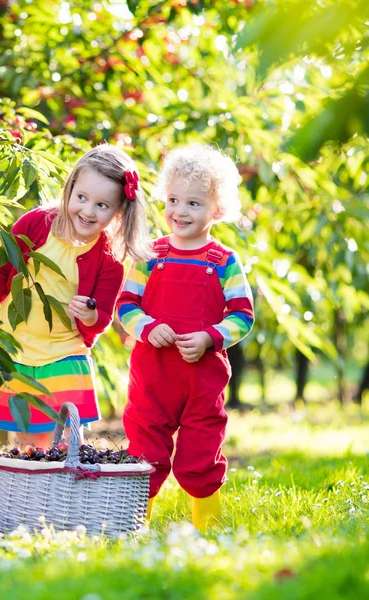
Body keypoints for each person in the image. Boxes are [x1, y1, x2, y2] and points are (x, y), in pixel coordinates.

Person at [0, 145, 152, 450]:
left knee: (69, 439)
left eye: (102, 205)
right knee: (33, 441)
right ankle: (35, 494)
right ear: (69, 189)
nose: (87, 211)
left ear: (119, 210)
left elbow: (102, 319)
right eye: (81, 198)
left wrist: (89, 315)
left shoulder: (110, 256)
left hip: (64, 350)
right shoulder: (36, 224)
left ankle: (67, 493)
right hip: (15, 345)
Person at [116, 144, 254, 531]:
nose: (180, 211)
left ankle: (207, 527)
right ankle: (134, 523)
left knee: (201, 452)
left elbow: (243, 316)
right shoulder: (150, 254)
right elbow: (126, 305)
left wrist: (212, 337)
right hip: (153, 377)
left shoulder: (223, 261)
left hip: (201, 379)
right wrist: (147, 326)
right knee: (145, 449)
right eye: (174, 200)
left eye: (194, 203)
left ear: (218, 210)